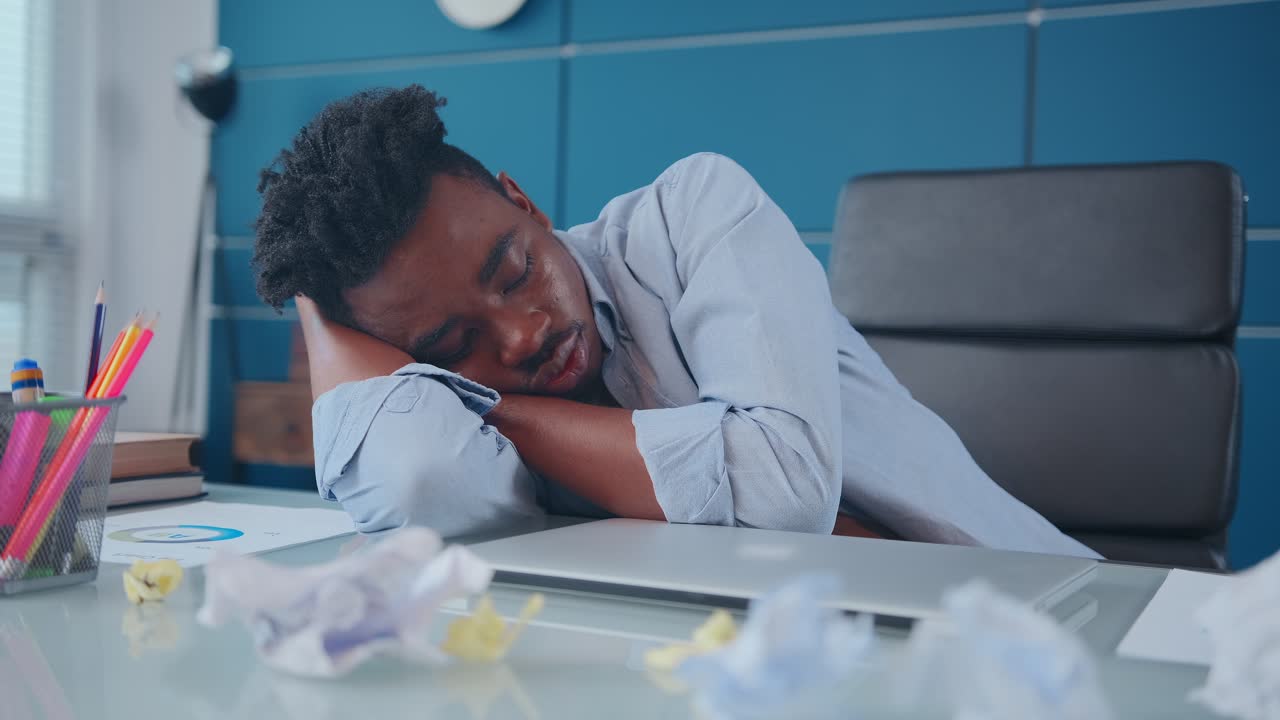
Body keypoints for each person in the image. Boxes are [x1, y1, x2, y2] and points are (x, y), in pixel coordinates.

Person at [252, 85, 1098, 558]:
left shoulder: (691, 215)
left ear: (525, 201)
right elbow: (427, 481)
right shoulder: (432, 405)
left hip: (1028, 608)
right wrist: (318, 304)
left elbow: (784, 494)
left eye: (516, 272)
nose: (519, 336)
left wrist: (481, 401)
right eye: (449, 347)